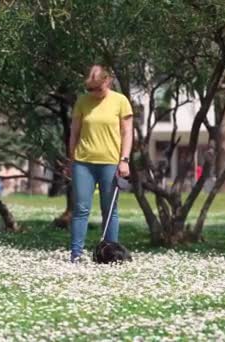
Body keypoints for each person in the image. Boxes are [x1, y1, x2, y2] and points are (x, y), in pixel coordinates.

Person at [67, 64, 134, 263]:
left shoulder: (120, 101)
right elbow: (74, 132)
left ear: (108, 81)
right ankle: (76, 254)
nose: (94, 92)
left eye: (98, 88)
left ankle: (110, 254)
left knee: (110, 209)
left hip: (110, 162)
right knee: (81, 208)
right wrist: (71, 159)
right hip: (83, 162)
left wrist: (124, 160)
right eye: (90, 88)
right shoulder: (82, 102)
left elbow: (127, 132)